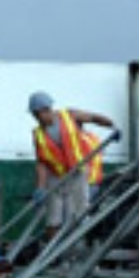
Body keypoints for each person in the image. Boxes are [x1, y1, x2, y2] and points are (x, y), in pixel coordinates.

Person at [29, 91, 117, 239]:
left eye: (38, 114)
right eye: (34, 115)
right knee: (53, 218)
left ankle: (75, 245)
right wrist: (40, 187)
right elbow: (42, 163)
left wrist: (112, 125)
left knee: (79, 213)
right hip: (56, 176)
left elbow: (93, 118)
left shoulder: (69, 116)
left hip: (77, 172)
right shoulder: (38, 134)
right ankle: (54, 249)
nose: (37, 118)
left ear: (47, 110)